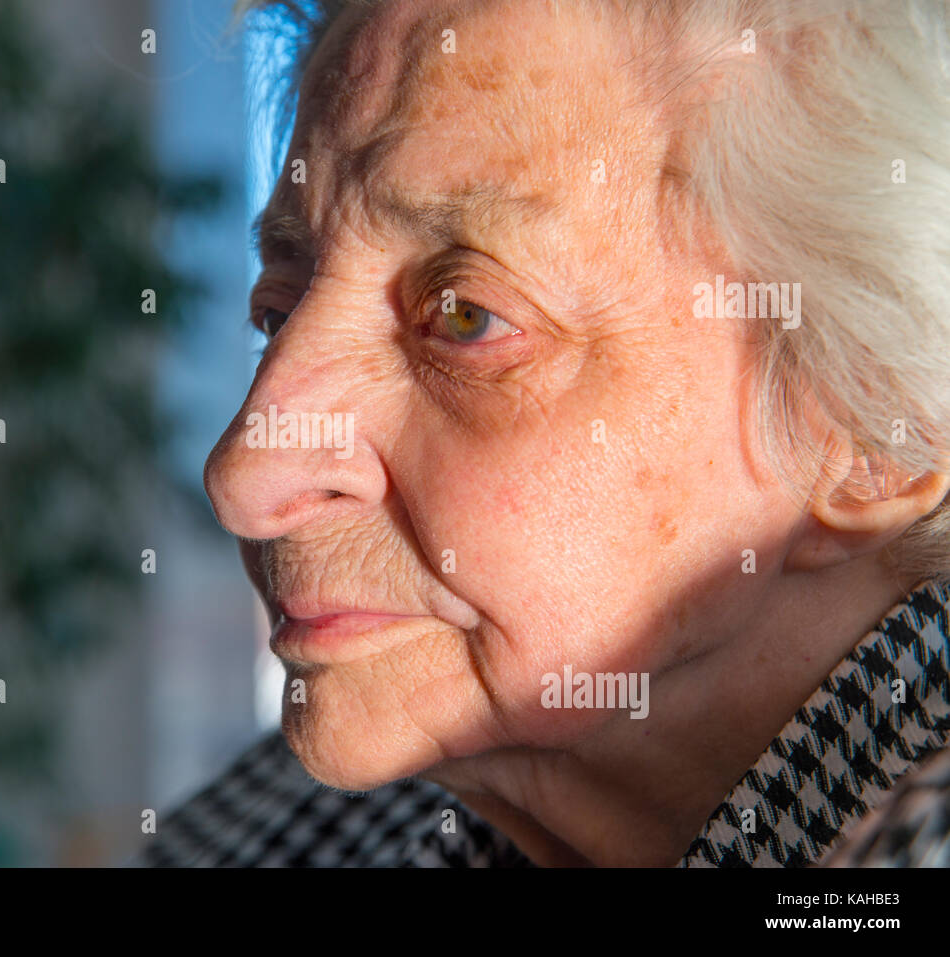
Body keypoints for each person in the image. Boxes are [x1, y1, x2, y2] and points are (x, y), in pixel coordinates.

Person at [137, 0, 950, 867]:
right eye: (277, 311)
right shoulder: (269, 827)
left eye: (466, 317)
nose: (243, 472)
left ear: (872, 429)